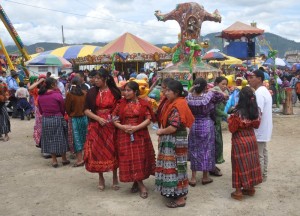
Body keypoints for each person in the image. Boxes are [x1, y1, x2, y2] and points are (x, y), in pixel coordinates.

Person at [113, 81, 156, 199]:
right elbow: (114, 118)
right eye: (124, 90)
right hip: (124, 134)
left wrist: (136, 128)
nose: (125, 93)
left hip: (140, 133)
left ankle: (139, 183)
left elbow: (148, 118)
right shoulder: (120, 103)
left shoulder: (143, 103)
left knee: (139, 158)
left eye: (128, 90)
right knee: (128, 158)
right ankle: (140, 184)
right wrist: (122, 127)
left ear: (135, 91)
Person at [155, 80, 194, 208]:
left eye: (168, 91)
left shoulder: (178, 105)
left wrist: (161, 131)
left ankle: (180, 198)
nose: (165, 92)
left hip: (175, 140)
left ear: (176, 92)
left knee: (176, 167)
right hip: (175, 139)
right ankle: (178, 193)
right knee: (177, 166)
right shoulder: (174, 103)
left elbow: (173, 127)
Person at [83, 68, 121, 191]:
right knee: (97, 151)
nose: (95, 80)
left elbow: (119, 108)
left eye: (98, 78)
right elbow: (86, 110)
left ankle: (115, 177)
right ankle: (101, 177)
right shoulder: (92, 92)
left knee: (113, 150)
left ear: (105, 79)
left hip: (111, 125)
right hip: (96, 125)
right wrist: (98, 119)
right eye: (95, 78)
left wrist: (113, 118)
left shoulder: (115, 92)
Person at [186, 78, 225, 186]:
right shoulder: (209, 96)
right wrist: (211, 90)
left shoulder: (189, 97)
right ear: (205, 87)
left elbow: (186, 95)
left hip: (194, 124)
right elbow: (222, 97)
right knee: (207, 150)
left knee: (194, 149)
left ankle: (193, 178)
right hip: (207, 124)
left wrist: (192, 89)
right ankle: (205, 176)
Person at [228, 86, 262, 200]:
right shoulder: (257, 110)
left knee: (238, 164)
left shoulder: (237, 113)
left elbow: (232, 128)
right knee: (250, 163)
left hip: (240, 140)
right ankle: (250, 188)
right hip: (251, 139)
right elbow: (257, 125)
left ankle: (238, 192)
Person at [247, 69, 273, 181]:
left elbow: (257, 112)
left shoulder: (260, 93)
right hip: (264, 128)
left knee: (259, 155)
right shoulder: (263, 91)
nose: (249, 79)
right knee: (263, 152)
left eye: (252, 77)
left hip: (260, 129)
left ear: (259, 79)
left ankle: (259, 177)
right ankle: (264, 175)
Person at [38, 77, 69, 168]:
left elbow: (40, 110)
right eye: (56, 84)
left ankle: (54, 160)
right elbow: (62, 108)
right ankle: (63, 159)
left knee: (49, 139)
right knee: (61, 138)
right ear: (52, 85)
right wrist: (61, 115)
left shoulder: (41, 96)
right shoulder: (57, 95)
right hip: (57, 118)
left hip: (46, 119)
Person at [65, 77, 88, 167]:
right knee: (85, 137)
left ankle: (79, 159)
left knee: (77, 139)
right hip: (84, 118)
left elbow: (67, 108)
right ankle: (86, 157)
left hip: (74, 118)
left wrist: (71, 114)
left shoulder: (69, 95)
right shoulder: (84, 94)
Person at [211, 76, 229, 176]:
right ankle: (211, 167)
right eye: (222, 84)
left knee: (217, 144)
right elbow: (215, 109)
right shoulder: (214, 94)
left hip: (217, 123)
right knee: (214, 145)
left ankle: (212, 166)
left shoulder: (223, 95)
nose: (224, 86)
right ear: (217, 84)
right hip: (213, 123)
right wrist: (226, 115)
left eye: (226, 84)